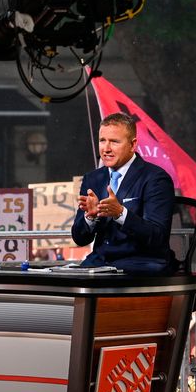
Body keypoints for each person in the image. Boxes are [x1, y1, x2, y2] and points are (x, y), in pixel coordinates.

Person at [72, 113, 177, 273]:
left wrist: (121, 214)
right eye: (102, 140)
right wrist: (90, 218)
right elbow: (79, 239)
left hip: (140, 265)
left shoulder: (156, 178)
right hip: (99, 265)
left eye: (114, 142)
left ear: (132, 145)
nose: (106, 149)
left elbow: (157, 237)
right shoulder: (93, 179)